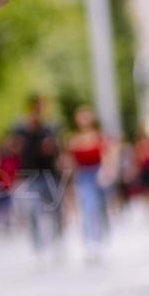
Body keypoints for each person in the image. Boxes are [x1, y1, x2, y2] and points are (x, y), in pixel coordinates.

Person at [9, 95, 62, 252]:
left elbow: (55, 149)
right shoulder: (20, 127)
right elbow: (14, 147)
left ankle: (56, 239)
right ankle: (38, 245)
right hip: (30, 174)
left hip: (49, 173)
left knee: (54, 210)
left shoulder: (50, 127)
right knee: (32, 210)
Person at [66, 105, 111, 256]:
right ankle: (89, 241)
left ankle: (100, 237)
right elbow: (71, 162)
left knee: (99, 207)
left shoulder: (99, 136)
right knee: (88, 207)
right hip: (83, 176)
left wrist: (105, 172)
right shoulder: (73, 139)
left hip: (97, 173)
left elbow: (106, 156)